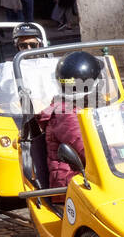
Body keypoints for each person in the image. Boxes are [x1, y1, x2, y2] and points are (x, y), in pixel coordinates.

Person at [39, 51, 101, 192]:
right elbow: (89, 154)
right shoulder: (66, 115)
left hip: (86, 176)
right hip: (71, 184)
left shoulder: (82, 107)